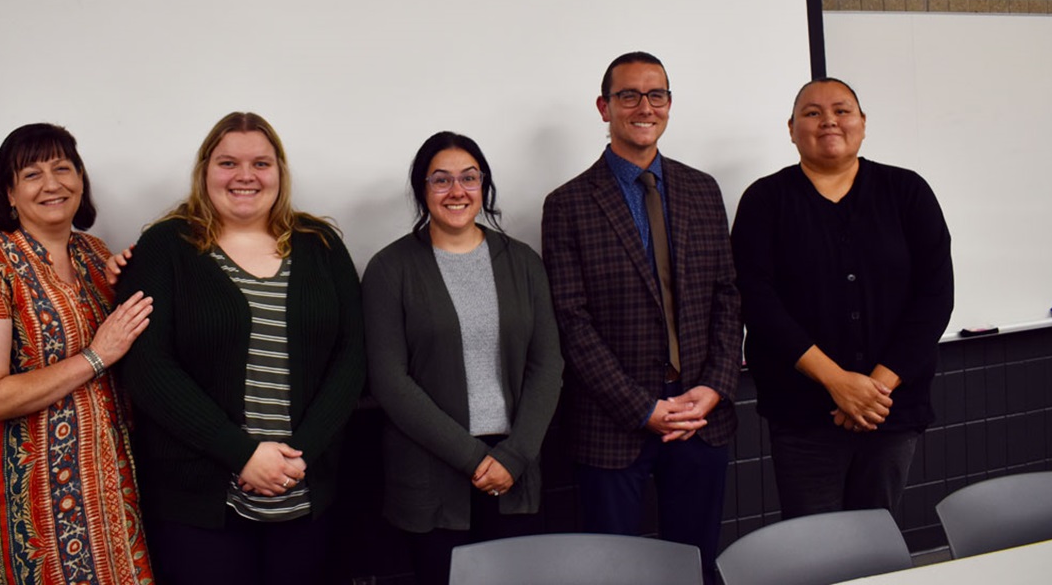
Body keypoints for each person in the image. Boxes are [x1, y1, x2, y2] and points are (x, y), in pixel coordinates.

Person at [117, 112, 365, 584]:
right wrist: (242, 454)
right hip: (200, 500)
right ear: (205, 170)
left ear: (280, 172)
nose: (245, 176)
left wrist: (298, 457)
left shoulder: (321, 244)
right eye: (228, 163)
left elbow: (351, 357)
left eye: (261, 163)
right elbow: (148, 368)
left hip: (305, 489)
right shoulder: (165, 246)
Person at [541, 51, 741, 581]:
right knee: (617, 572)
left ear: (670, 106)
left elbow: (727, 297)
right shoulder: (567, 204)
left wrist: (716, 387)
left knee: (694, 566)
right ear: (604, 107)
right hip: (613, 427)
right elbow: (571, 322)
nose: (643, 107)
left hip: (701, 418)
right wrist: (641, 407)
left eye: (656, 95)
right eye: (628, 95)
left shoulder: (703, 190)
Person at [0, 123, 156, 585]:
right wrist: (97, 356)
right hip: (31, 498)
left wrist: (131, 279)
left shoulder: (94, 253)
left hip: (110, 485)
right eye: (32, 174)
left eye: (63, 168)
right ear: (10, 194)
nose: (53, 183)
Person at [730, 77, 953, 519]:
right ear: (791, 128)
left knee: (877, 537)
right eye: (812, 113)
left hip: (889, 409)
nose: (828, 120)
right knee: (817, 545)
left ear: (863, 124)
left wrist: (871, 391)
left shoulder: (907, 192)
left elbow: (935, 296)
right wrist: (836, 381)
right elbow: (757, 299)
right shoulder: (765, 200)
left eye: (842, 110)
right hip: (802, 413)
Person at [362, 132, 563, 585]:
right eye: (441, 180)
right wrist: (474, 458)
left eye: (469, 178)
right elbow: (390, 381)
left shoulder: (524, 263)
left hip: (515, 468)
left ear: (484, 186)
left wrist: (514, 457)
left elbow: (547, 365)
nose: (457, 191)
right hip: (433, 472)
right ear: (422, 190)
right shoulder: (389, 269)